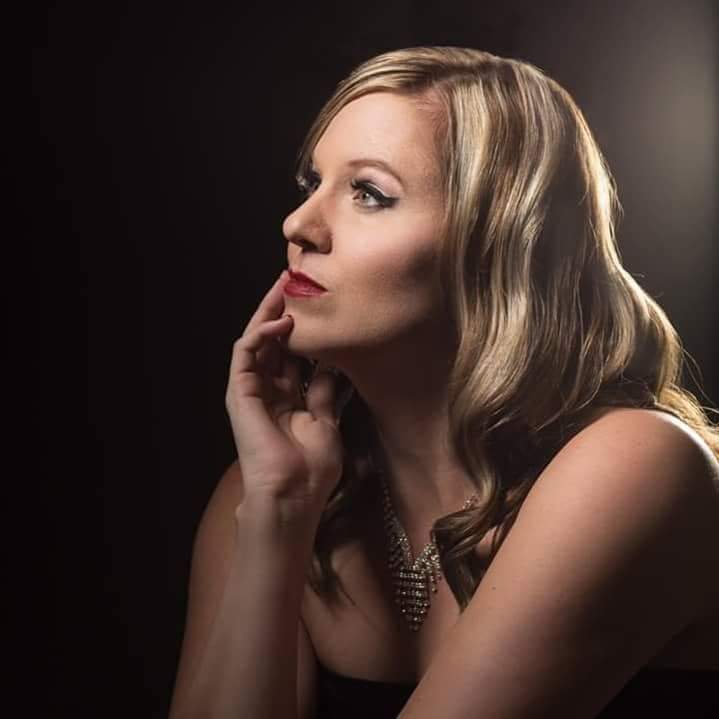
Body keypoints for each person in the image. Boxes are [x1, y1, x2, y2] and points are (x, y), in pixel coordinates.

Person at [168, 46, 719, 718]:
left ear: (496, 244)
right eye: (312, 183)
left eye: (368, 193)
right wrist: (279, 512)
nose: (298, 225)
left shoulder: (635, 465)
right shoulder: (270, 489)